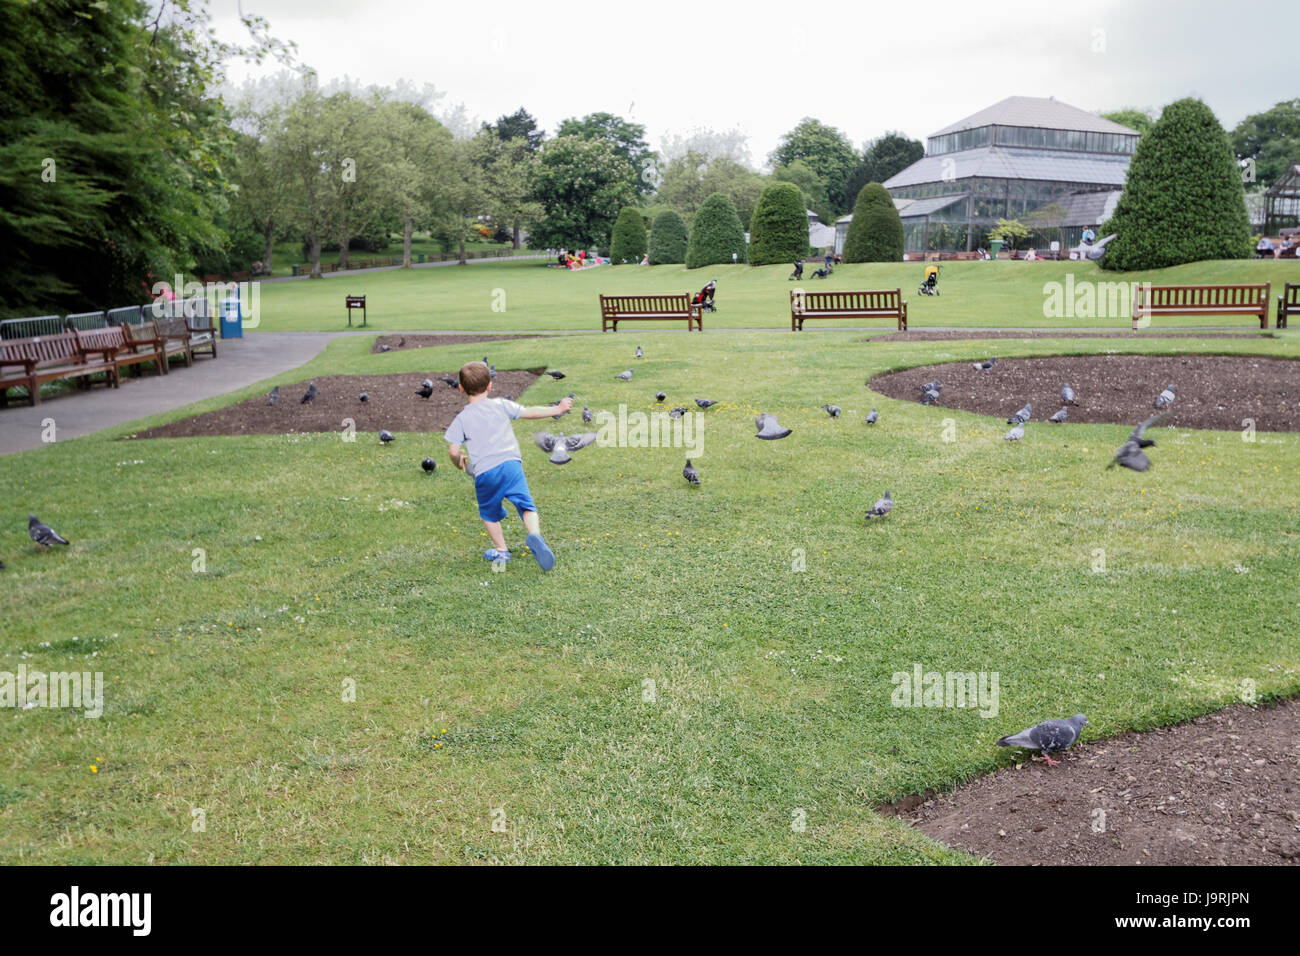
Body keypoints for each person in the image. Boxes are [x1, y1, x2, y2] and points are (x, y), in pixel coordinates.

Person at [445, 362, 572, 571]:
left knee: (489, 513)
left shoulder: (462, 419)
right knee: (526, 505)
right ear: (489, 386)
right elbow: (529, 412)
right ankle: (534, 535)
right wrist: (557, 408)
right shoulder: (501, 405)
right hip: (511, 464)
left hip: (485, 472)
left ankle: (502, 551)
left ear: (460, 388)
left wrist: (459, 462)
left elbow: (453, 451)